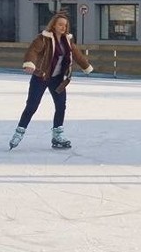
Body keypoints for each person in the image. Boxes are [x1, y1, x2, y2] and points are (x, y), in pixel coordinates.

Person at [10, 12, 93, 150]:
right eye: (60, 24)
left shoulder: (67, 40)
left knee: (61, 106)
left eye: (65, 25)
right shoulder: (43, 39)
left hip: (58, 79)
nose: (63, 27)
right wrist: (30, 63)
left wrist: (86, 67)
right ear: (53, 24)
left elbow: (77, 55)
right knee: (32, 106)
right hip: (41, 77)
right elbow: (33, 51)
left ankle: (57, 136)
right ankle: (19, 132)